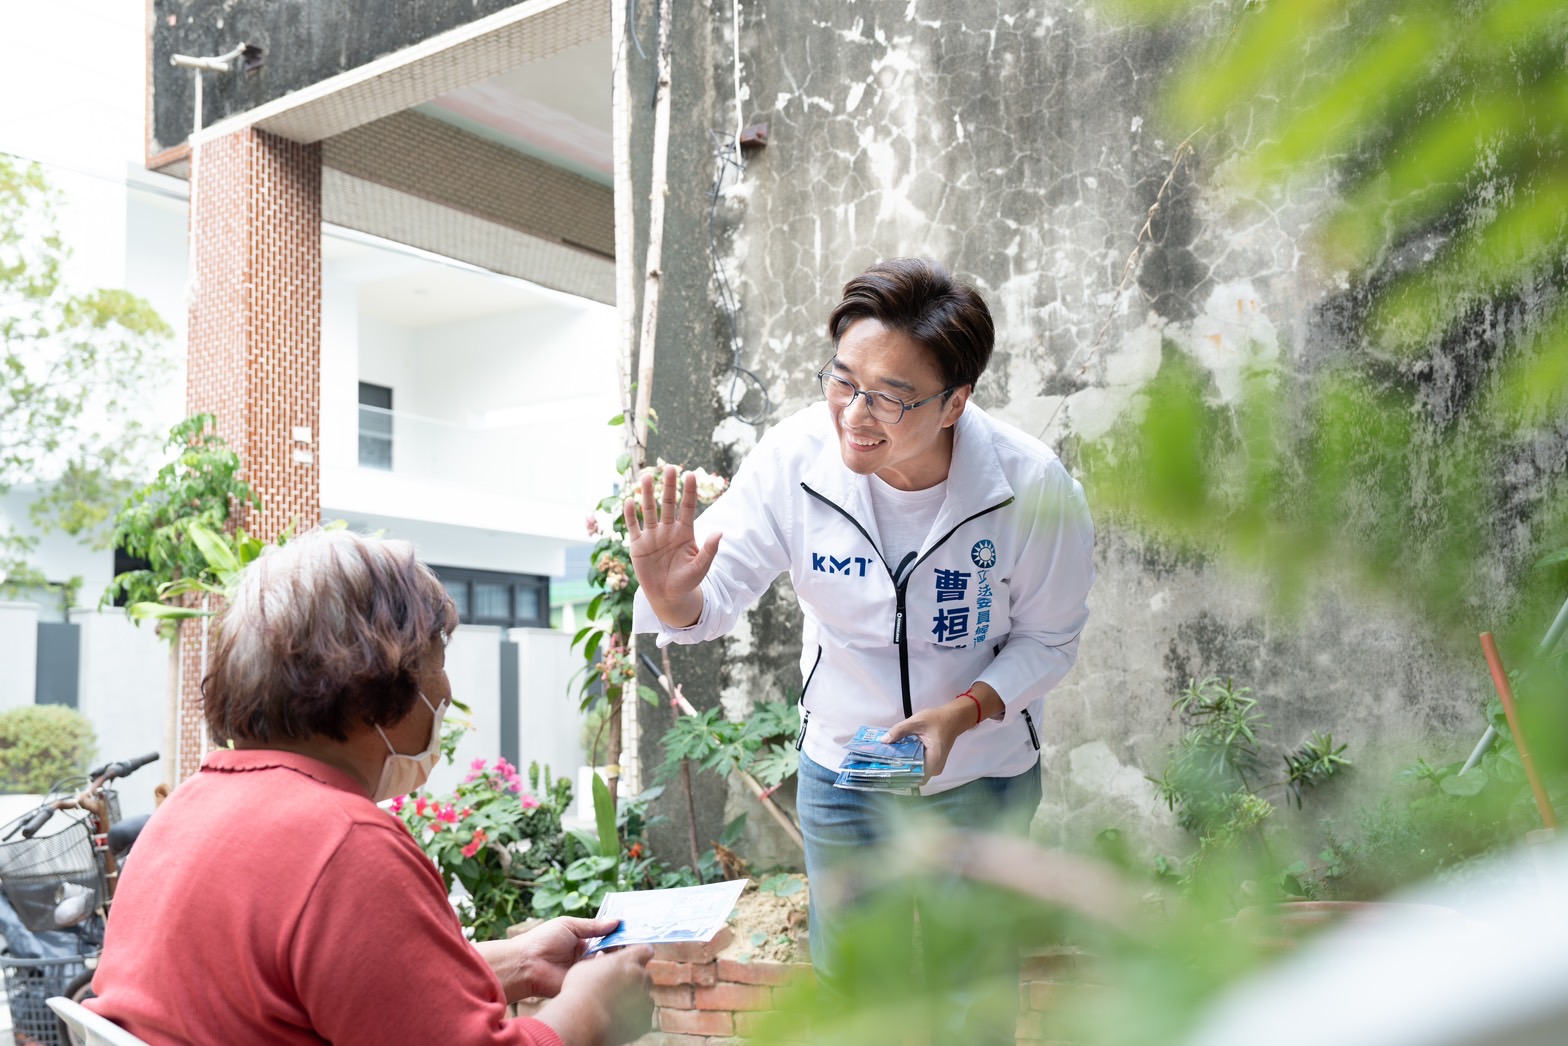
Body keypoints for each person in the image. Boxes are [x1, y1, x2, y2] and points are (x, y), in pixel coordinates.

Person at [627, 257, 1095, 1037]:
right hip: (845, 770)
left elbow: (1051, 639)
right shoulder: (793, 461)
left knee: (971, 990)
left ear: (956, 403)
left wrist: (964, 712)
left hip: (980, 774)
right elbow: (709, 601)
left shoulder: (1032, 488)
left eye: (890, 397)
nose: (854, 413)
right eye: (842, 381)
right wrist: (672, 597)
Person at [86, 528, 653, 1046]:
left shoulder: (186, 809)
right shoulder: (344, 844)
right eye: (437, 658)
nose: (447, 689)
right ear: (372, 677)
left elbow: (348, 987)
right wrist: (590, 1007)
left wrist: (520, 961)